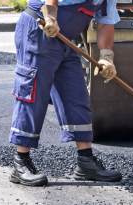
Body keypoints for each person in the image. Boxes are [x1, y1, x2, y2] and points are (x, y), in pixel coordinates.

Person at [9, 0, 122, 186]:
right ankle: (20, 162)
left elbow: (105, 22)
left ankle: (85, 162)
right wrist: (50, 16)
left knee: (76, 95)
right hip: (40, 29)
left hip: (65, 40)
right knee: (33, 94)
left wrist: (106, 56)